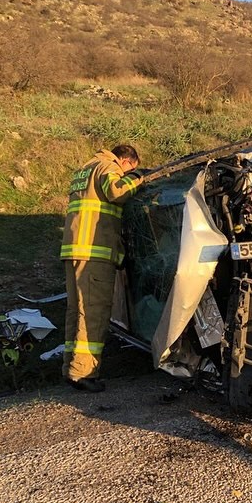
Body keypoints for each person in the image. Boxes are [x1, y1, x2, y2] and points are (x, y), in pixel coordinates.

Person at [60, 144, 144, 392]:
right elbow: (117, 192)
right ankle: (85, 373)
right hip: (93, 252)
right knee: (93, 312)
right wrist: (138, 180)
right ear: (126, 161)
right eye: (130, 169)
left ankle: (71, 368)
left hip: (75, 251)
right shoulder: (108, 166)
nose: (127, 173)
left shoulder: (84, 170)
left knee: (76, 312)